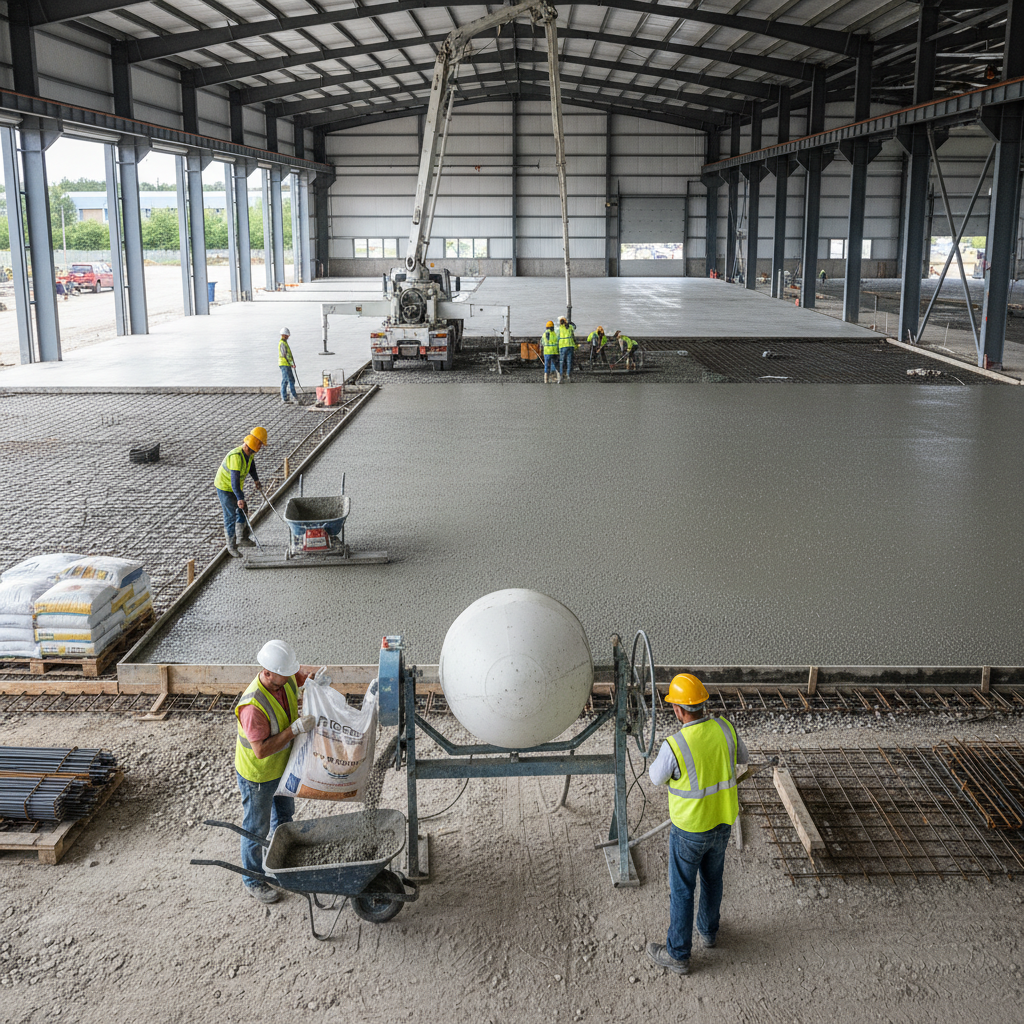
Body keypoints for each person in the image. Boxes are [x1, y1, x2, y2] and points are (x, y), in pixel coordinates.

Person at [646, 673, 748, 976]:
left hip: (689, 831)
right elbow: (742, 757)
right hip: (722, 823)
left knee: (682, 890)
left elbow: (655, 778)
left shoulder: (675, 745)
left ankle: (678, 954)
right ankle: (708, 932)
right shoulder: (725, 728)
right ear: (703, 703)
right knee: (713, 880)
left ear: (678, 710)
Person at [234, 640, 331, 903]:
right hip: (259, 775)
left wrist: (316, 681)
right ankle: (253, 879)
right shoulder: (253, 707)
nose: (287, 681)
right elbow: (261, 750)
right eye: (281, 679)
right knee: (256, 827)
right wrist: (294, 730)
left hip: (283, 767)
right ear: (267, 673)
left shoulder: (284, 677)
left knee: (285, 815)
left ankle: (280, 859)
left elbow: (302, 676)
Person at [214, 431, 266, 557]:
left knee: (243, 509)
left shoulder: (249, 453)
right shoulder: (236, 457)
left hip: (234, 487)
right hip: (224, 487)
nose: (253, 453)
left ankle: (242, 538)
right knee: (230, 515)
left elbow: (251, 466)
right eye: (252, 450)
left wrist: (256, 480)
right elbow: (234, 482)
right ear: (247, 447)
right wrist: (239, 498)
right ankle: (231, 546)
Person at [278, 327, 298, 404]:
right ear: (284, 335)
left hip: (285, 364)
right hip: (285, 364)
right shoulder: (282, 343)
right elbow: (286, 355)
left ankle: (285, 397)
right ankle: (293, 396)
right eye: (287, 335)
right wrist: (292, 363)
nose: (288, 336)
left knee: (285, 380)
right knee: (290, 380)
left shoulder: (283, 342)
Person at [557, 316, 577, 383]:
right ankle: (568, 376)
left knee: (562, 361)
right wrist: (571, 322)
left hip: (563, 346)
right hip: (570, 345)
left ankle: (561, 376)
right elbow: (575, 327)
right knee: (569, 361)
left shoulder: (559, 328)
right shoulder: (570, 327)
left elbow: (557, 337)